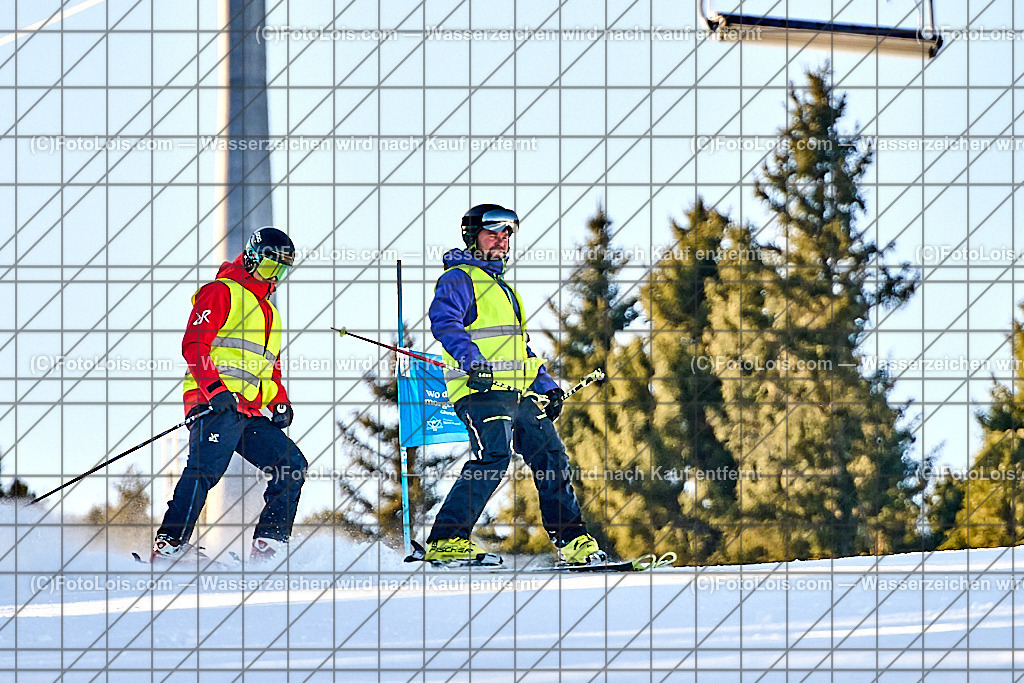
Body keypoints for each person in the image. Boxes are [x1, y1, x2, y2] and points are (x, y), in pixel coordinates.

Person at [424, 204, 606, 565]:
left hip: (516, 393)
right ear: (472, 236)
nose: (502, 239)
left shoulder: (504, 290)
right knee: (494, 456)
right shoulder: (460, 278)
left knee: (550, 454)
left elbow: (519, 349)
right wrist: (473, 363)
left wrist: (548, 387)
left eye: (508, 233)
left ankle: (572, 540)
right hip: (480, 390)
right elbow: (445, 323)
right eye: (494, 232)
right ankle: (446, 539)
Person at [152, 227, 306, 565]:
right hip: (213, 404)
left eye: (282, 271)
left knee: (291, 465)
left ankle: (269, 546)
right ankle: (169, 544)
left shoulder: (270, 313)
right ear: (251, 259)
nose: (274, 276)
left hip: (247, 412)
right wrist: (215, 391)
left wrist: (279, 400)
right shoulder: (223, 293)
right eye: (269, 267)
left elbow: (269, 367)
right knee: (204, 470)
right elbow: (194, 345)